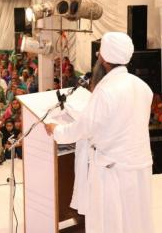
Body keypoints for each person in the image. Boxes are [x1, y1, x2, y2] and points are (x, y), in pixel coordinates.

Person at [45, 32, 154, 233]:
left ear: (104, 59)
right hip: (138, 167)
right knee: (135, 220)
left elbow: (82, 129)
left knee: (109, 224)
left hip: (111, 172)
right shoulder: (143, 87)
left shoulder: (106, 91)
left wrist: (56, 130)